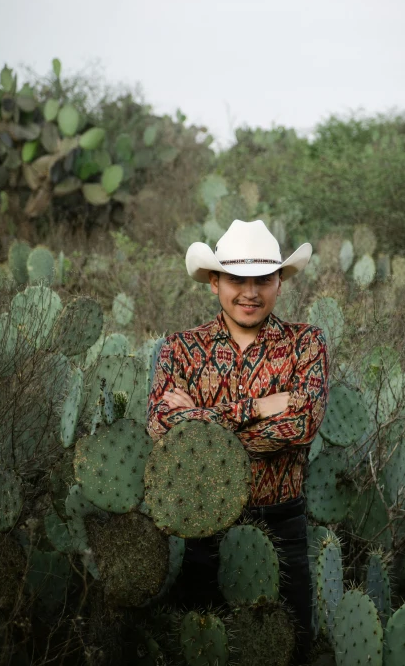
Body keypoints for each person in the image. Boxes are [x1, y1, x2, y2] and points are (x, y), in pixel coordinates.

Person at [147, 219, 329, 664]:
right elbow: (161, 426)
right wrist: (260, 407)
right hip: (200, 526)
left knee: (290, 653)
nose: (250, 292)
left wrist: (202, 422)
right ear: (214, 282)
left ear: (280, 282)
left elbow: (301, 424)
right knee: (204, 652)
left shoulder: (306, 344)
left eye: (263, 278)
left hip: (282, 527)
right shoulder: (179, 348)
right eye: (236, 279)